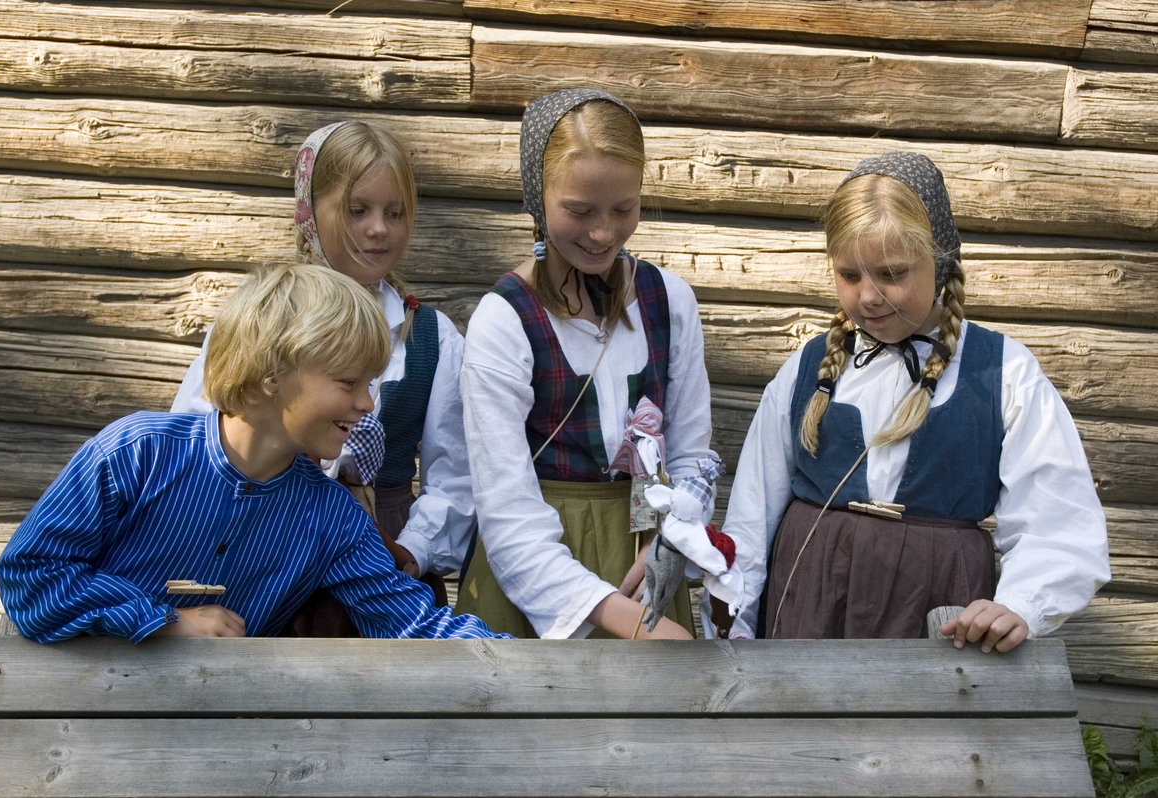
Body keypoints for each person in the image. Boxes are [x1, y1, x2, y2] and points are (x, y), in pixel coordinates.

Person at [0, 261, 508, 643]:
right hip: (72, 728)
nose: (367, 403)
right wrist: (164, 623)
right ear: (271, 378)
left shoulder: (332, 518)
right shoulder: (136, 454)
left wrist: (535, 670)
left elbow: (414, 625)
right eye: (349, 382)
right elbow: (29, 576)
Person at [722, 151, 1111, 651]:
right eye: (850, 275)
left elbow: (1059, 518)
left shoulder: (1001, 372)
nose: (868, 296)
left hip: (937, 610)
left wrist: (1021, 605)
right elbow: (753, 515)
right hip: (810, 604)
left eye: (891, 273)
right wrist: (733, 619)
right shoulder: (808, 368)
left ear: (940, 261)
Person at [172, 121, 475, 631]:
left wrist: (411, 550)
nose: (378, 228)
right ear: (311, 209)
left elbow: (457, 476)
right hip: (254, 557)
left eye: (394, 213)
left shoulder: (431, 338)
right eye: (358, 210)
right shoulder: (260, 319)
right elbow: (194, 437)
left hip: (380, 574)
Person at [456, 89, 716, 640]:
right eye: (579, 211)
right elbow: (506, 514)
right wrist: (623, 620)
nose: (603, 233)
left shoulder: (669, 302)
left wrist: (672, 535)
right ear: (537, 195)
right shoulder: (504, 322)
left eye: (624, 209)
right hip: (537, 578)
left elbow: (691, 453)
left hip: (643, 569)